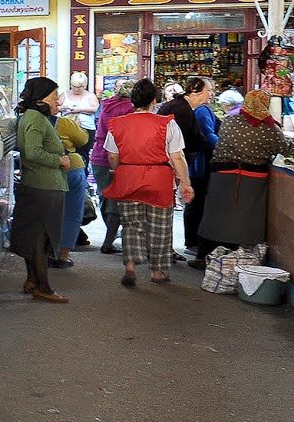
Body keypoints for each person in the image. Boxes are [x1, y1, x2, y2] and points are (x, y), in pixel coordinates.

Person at [103, 79, 195, 287]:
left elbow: (112, 156)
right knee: (159, 226)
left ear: (133, 101)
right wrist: (185, 183)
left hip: (128, 178)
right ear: (155, 101)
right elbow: (177, 157)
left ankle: (130, 267)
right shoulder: (167, 123)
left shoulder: (118, 124)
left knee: (131, 225)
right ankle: (157, 271)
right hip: (159, 180)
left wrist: (121, 169)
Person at [197, 89, 294, 251]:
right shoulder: (270, 128)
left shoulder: (230, 121)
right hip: (252, 181)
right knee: (244, 220)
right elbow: (288, 150)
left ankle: (205, 255)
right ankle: (238, 257)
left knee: (215, 216)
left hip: (221, 175)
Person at [10, 77, 73, 302]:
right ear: (40, 98)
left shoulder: (30, 116)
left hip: (36, 185)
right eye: (54, 97)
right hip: (44, 186)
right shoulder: (36, 119)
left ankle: (32, 281)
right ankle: (44, 287)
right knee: (42, 239)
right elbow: (34, 152)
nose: (58, 101)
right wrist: (60, 160)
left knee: (34, 236)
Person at [159, 76, 217, 267]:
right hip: (169, 164)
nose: (212, 94)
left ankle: (164, 249)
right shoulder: (182, 110)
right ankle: (162, 251)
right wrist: (183, 178)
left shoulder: (184, 108)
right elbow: (181, 145)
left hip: (170, 163)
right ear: (197, 91)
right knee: (165, 210)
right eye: (209, 90)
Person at [90, 85, 134, 254]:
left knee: (105, 197)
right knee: (115, 201)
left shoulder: (107, 105)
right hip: (115, 156)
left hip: (98, 155)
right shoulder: (129, 109)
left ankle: (110, 236)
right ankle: (109, 241)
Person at [53, 102, 92, 268]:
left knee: (48, 213)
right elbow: (83, 139)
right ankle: (63, 255)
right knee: (72, 213)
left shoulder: (24, 121)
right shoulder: (63, 123)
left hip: (41, 172)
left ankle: (45, 251)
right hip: (71, 168)